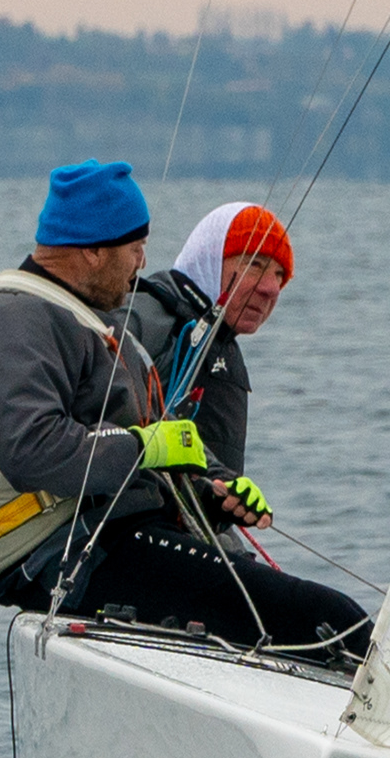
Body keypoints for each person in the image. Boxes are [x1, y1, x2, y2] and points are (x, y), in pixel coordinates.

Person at [0, 162, 371, 665]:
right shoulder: (14, 318)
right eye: (135, 249)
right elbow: (32, 449)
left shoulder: (85, 320)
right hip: (58, 554)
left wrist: (213, 492)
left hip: (113, 536)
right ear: (93, 251)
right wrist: (146, 448)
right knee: (326, 621)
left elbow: (126, 448)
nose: (143, 264)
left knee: (317, 614)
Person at [126, 200, 294, 535]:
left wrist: (227, 501)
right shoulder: (147, 315)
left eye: (279, 275)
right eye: (255, 264)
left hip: (197, 533)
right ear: (210, 258)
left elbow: (208, 494)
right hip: (132, 531)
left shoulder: (225, 350)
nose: (271, 288)